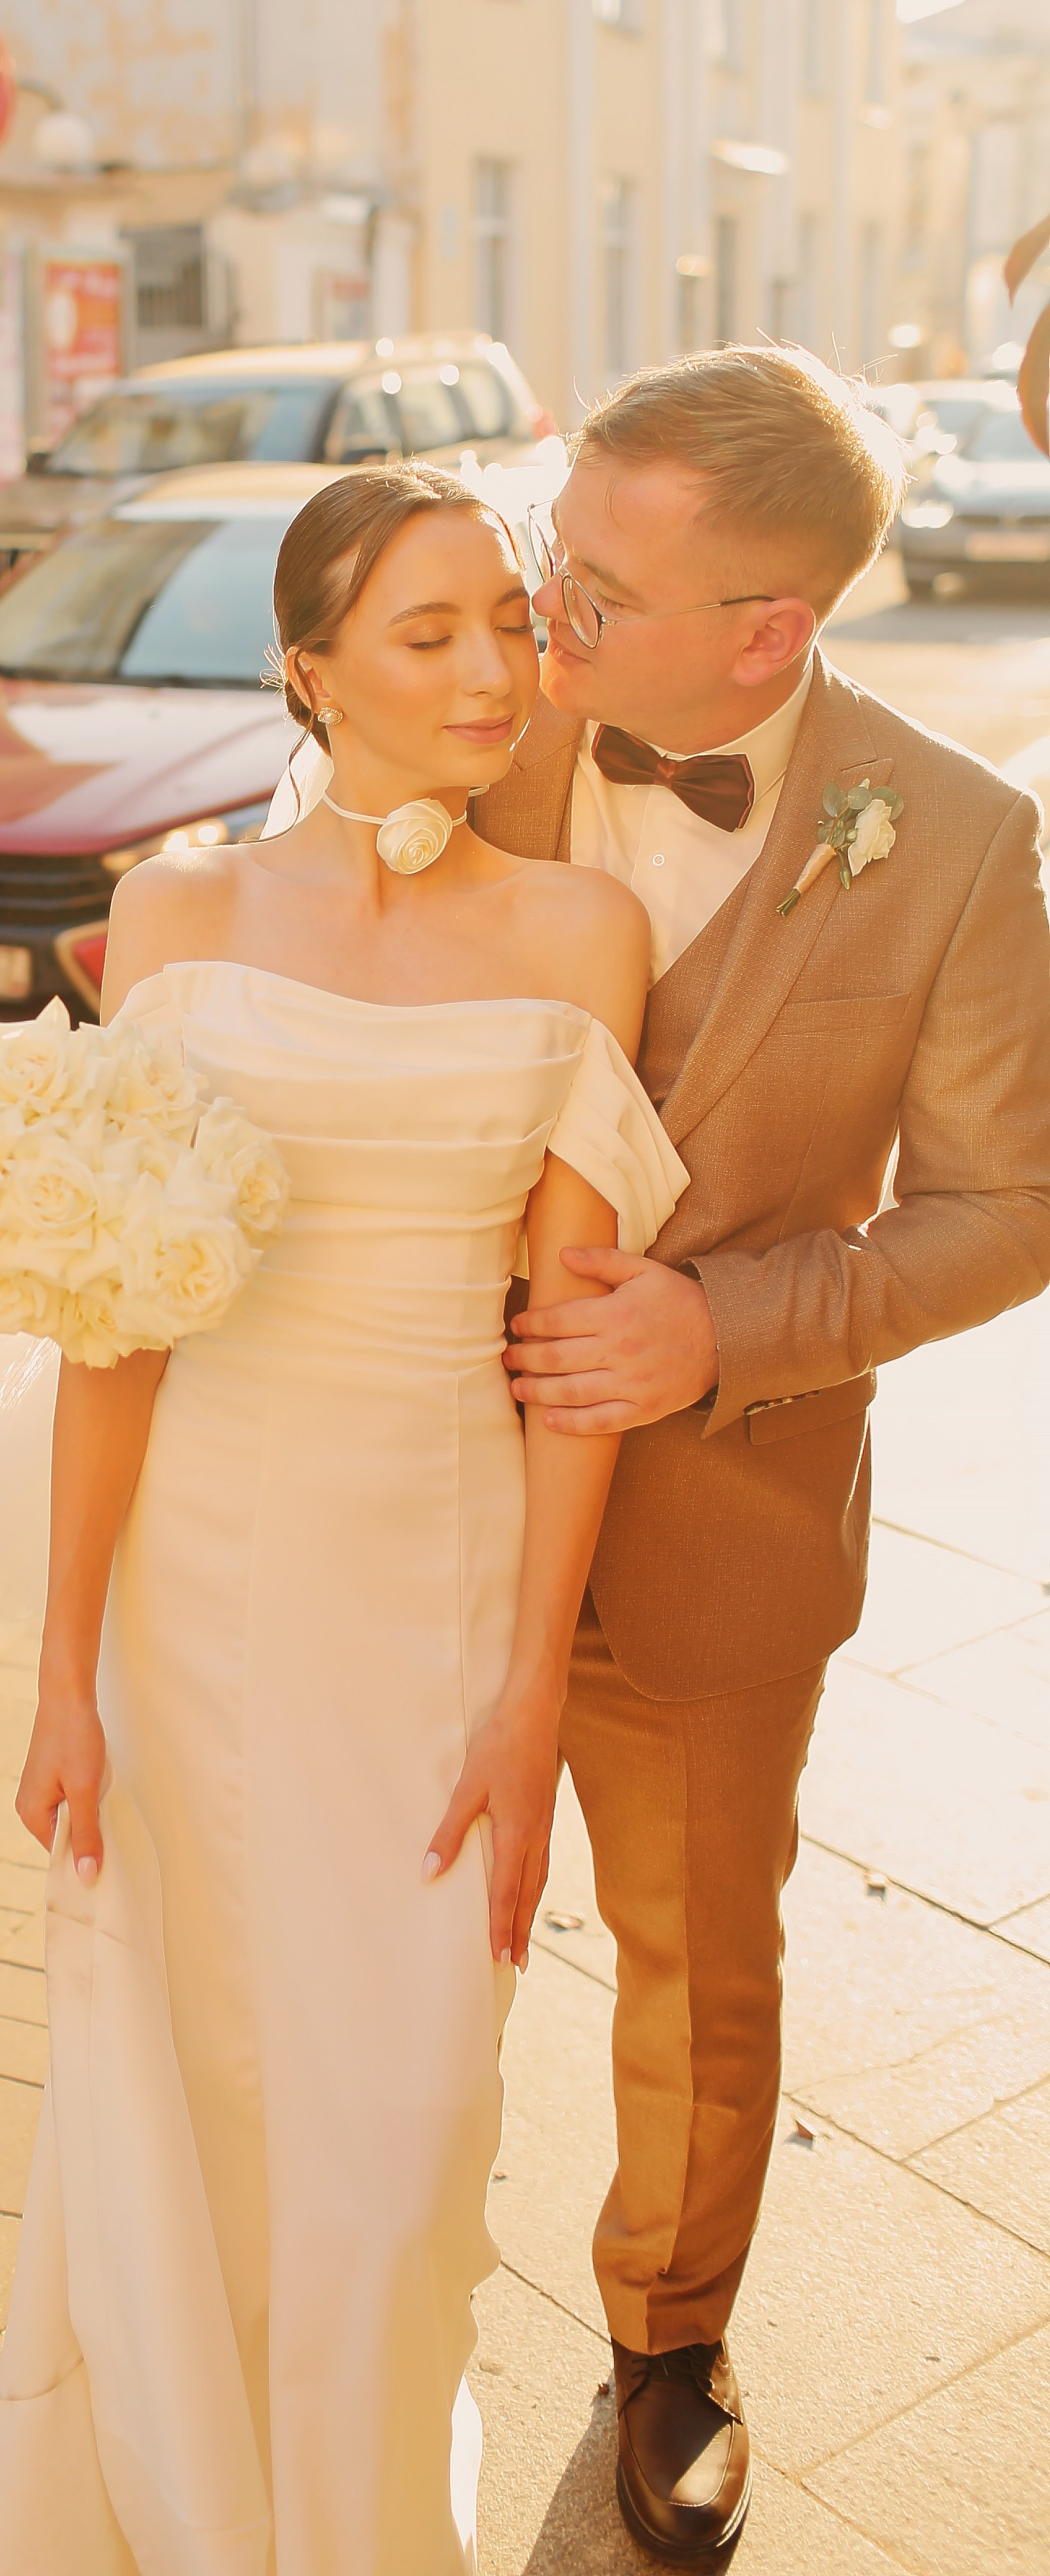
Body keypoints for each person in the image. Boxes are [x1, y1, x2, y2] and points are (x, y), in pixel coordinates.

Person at [0, 466, 689, 2568]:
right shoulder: (184, 912)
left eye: (507, 621)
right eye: (428, 632)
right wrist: (68, 1671)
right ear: (311, 675)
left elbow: (570, 1351)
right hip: (187, 1601)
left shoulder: (585, 930)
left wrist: (531, 1693)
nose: (493, 668)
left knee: (398, 2146)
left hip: (438, 1577)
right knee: (189, 2092)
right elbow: (119, 1315)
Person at [466, 347, 1050, 2558]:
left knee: (704, 1968)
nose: (547, 614)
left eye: (599, 586)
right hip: (400, 1515)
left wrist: (725, 1325)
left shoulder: (963, 837)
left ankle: (669, 2340)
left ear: (770, 630)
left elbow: (1016, 1207)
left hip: (723, 1532)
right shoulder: (473, 729)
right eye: (553, 549)